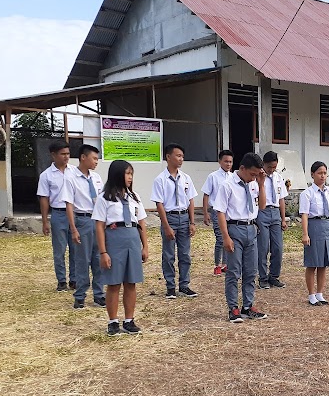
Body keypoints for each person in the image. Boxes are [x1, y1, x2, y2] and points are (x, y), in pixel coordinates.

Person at [93, 160, 149, 336]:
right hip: (114, 239)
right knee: (114, 283)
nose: (130, 177)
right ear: (117, 175)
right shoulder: (104, 198)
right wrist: (103, 252)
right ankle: (113, 321)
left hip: (132, 238)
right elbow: (100, 226)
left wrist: (145, 246)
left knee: (131, 282)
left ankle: (129, 320)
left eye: (132, 174)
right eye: (127, 173)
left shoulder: (134, 197)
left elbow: (141, 223)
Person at [212, 152, 269, 323]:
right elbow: (220, 212)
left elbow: (263, 205)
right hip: (234, 229)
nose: (254, 177)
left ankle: (248, 305)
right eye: (252, 174)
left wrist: (261, 184)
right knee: (234, 271)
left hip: (251, 228)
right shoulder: (227, 185)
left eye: (256, 174)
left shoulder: (254, 183)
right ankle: (233, 308)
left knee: (251, 271)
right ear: (242, 168)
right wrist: (226, 237)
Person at [152, 143, 198, 299]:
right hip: (170, 217)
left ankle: (184, 285)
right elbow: (159, 204)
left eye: (182, 157)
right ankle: (170, 286)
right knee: (169, 254)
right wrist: (166, 226)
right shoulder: (160, 179)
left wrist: (192, 222)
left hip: (184, 217)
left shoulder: (186, 178)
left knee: (185, 254)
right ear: (168, 157)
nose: (181, 159)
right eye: (178, 156)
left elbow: (191, 200)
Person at [62, 144, 105, 309]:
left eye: (97, 159)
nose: (96, 162)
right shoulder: (71, 178)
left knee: (99, 258)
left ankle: (99, 294)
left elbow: (102, 201)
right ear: (83, 157)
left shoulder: (97, 178)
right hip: (83, 220)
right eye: (94, 158)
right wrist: (73, 229)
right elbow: (69, 204)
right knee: (82, 260)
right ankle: (80, 295)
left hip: (97, 220)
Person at [37, 140, 76, 291]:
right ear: (53, 155)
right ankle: (61, 280)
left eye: (68, 154)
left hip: (74, 214)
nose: (66, 157)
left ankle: (74, 279)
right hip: (58, 214)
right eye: (63, 154)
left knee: (76, 248)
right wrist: (45, 221)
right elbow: (44, 199)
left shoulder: (74, 171)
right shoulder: (46, 175)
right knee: (59, 250)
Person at [299, 161, 329, 306]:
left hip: (326, 225)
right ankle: (311, 294)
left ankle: (320, 293)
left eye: (324, 173)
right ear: (312, 174)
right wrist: (305, 234)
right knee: (312, 262)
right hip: (313, 225)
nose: (322, 176)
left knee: (323, 262)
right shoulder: (307, 193)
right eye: (319, 173)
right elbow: (304, 214)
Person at [257, 151, 289, 289]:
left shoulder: (278, 177)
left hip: (275, 213)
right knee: (263, 247)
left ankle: (274, 276)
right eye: (269, 167)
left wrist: (283, 218)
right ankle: (262, 277)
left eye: (274, 167)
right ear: (263, 164)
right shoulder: (257, 177)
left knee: (278, 247)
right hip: (262, 212)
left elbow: (281, 199)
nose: (271, 170)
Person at [201, 150, 233, 276]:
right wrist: (205, 213)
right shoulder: (213, 176)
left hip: (229, 212)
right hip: (216, 211)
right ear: (220, 161)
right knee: (220, 238)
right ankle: (217, 265)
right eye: (226, 161)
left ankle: (226, 264)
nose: (228, 164)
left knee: (228, 236)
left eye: (230, 162)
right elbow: (206, 194)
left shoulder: (233, 177)